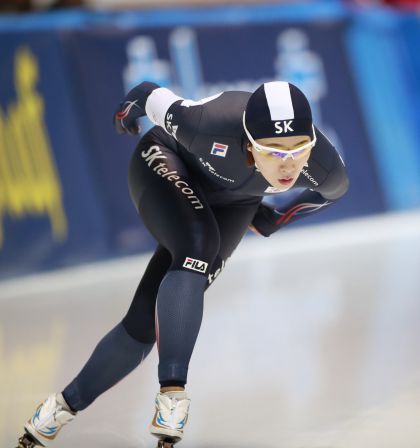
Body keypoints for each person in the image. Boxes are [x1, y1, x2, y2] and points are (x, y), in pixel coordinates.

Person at [17, 80, 349, 448]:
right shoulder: (206, 124)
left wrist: (278, 218)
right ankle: (172, 394)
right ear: (248, 144)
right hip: (167, 162)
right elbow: (146, 94)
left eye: (299, 149)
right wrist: (125, 115)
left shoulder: (323, 167)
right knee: (198, 249)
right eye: (272, 151)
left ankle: (58, 410)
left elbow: (333, 192)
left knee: (146, 323)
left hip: (236, 202)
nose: (287, 164)